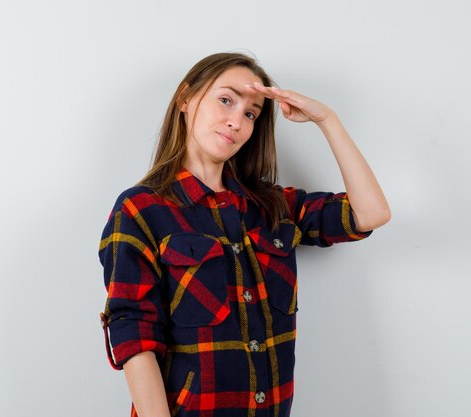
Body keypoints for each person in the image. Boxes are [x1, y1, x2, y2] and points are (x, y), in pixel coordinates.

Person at [97, 52, 390, 417]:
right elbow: (134, 334)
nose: (237, 121)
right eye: (226, 100)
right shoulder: (140, 210)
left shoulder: (272, 206)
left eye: (251, 113)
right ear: (185, 99)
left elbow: (371, 213)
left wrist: (327, 120)